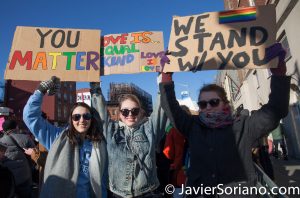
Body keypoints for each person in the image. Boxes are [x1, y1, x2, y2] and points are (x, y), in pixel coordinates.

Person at [159, 43, 291, 197]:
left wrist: (278, 73)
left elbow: (276, 110)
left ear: (225, 103)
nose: (207, 107)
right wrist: (166, 77)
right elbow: (172, 110)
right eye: (202, 104)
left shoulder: (243, 126)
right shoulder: (192, 126)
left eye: (213, 102)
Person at [23, 77, 107, 198]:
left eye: (86, 116)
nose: (82, 120)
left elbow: (102, 179)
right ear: (71, 120)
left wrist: (95, 90)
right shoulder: (57, 138)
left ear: (91, 119)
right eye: (76, 117)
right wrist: (41, 91)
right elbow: (30, 117)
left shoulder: (98, 143)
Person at [90, 81, 168, 197]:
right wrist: (95, 87)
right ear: (120, 114)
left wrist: (163, 81)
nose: (130, 115)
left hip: (147, 192)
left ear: (141, 112)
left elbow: (161, 109)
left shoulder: (150, 129)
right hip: (117, 193)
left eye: (135, 111)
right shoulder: (111, 130)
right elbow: (99, 114)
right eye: (125, 111)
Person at [0, 119, 35, 198]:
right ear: (16, 127)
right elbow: (34, 153)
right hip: (25, 175)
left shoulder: (1, 141)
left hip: (9, 177)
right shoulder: (25, 138)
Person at [163, 105, 190, 198]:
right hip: (196, 172)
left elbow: (168, 153)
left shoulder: (172, 130)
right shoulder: (194, 130)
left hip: (178, 171)